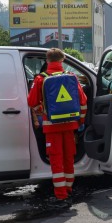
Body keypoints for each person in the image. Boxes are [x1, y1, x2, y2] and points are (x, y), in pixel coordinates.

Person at [27, 48, 87, 209]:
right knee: (69, 159)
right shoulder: (72, 77)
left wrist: (42, 106)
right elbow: (83, 100)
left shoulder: (41, 79)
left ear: (47, 61)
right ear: (62, 60)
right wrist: (80, 122)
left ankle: (61, 196)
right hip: (70, 126)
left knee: (57, 161)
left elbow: (31, 102)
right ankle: (68, 190)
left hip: (51, 127)